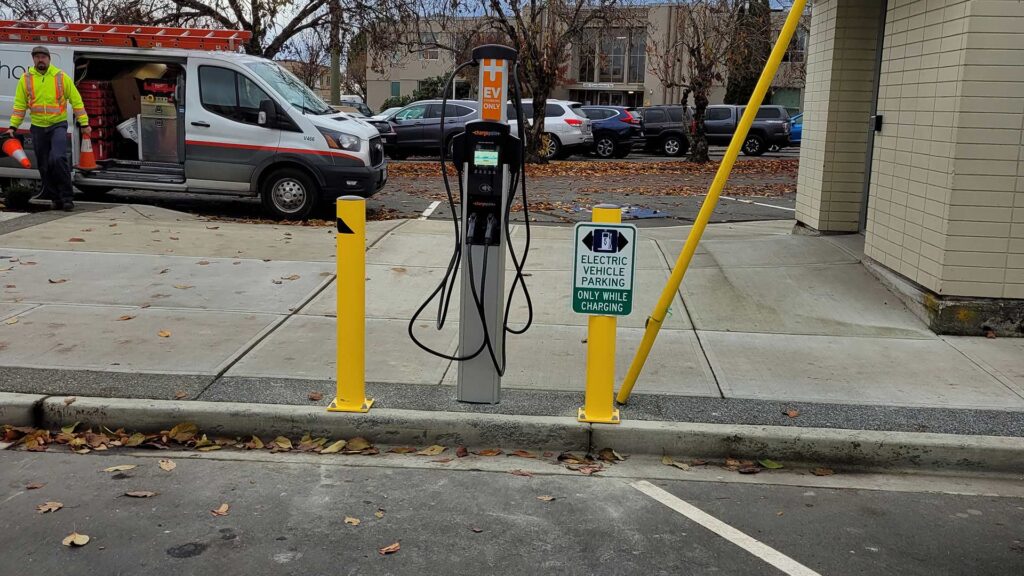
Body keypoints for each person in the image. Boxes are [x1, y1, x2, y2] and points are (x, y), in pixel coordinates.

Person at [6, 46, 90, 211]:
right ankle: (55, 198)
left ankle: (67, 197)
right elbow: (19, 106)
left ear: (49, 59)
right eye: (37, 57)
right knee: (44, 165)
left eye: (43, 56)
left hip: (57, 125)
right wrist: (13, 126)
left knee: (58, 158)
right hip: (37, 127)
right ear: (33, 60)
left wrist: (84, 123)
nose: (40, 59)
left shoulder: (60, 77)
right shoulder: (26, 79)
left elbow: (76, 100)